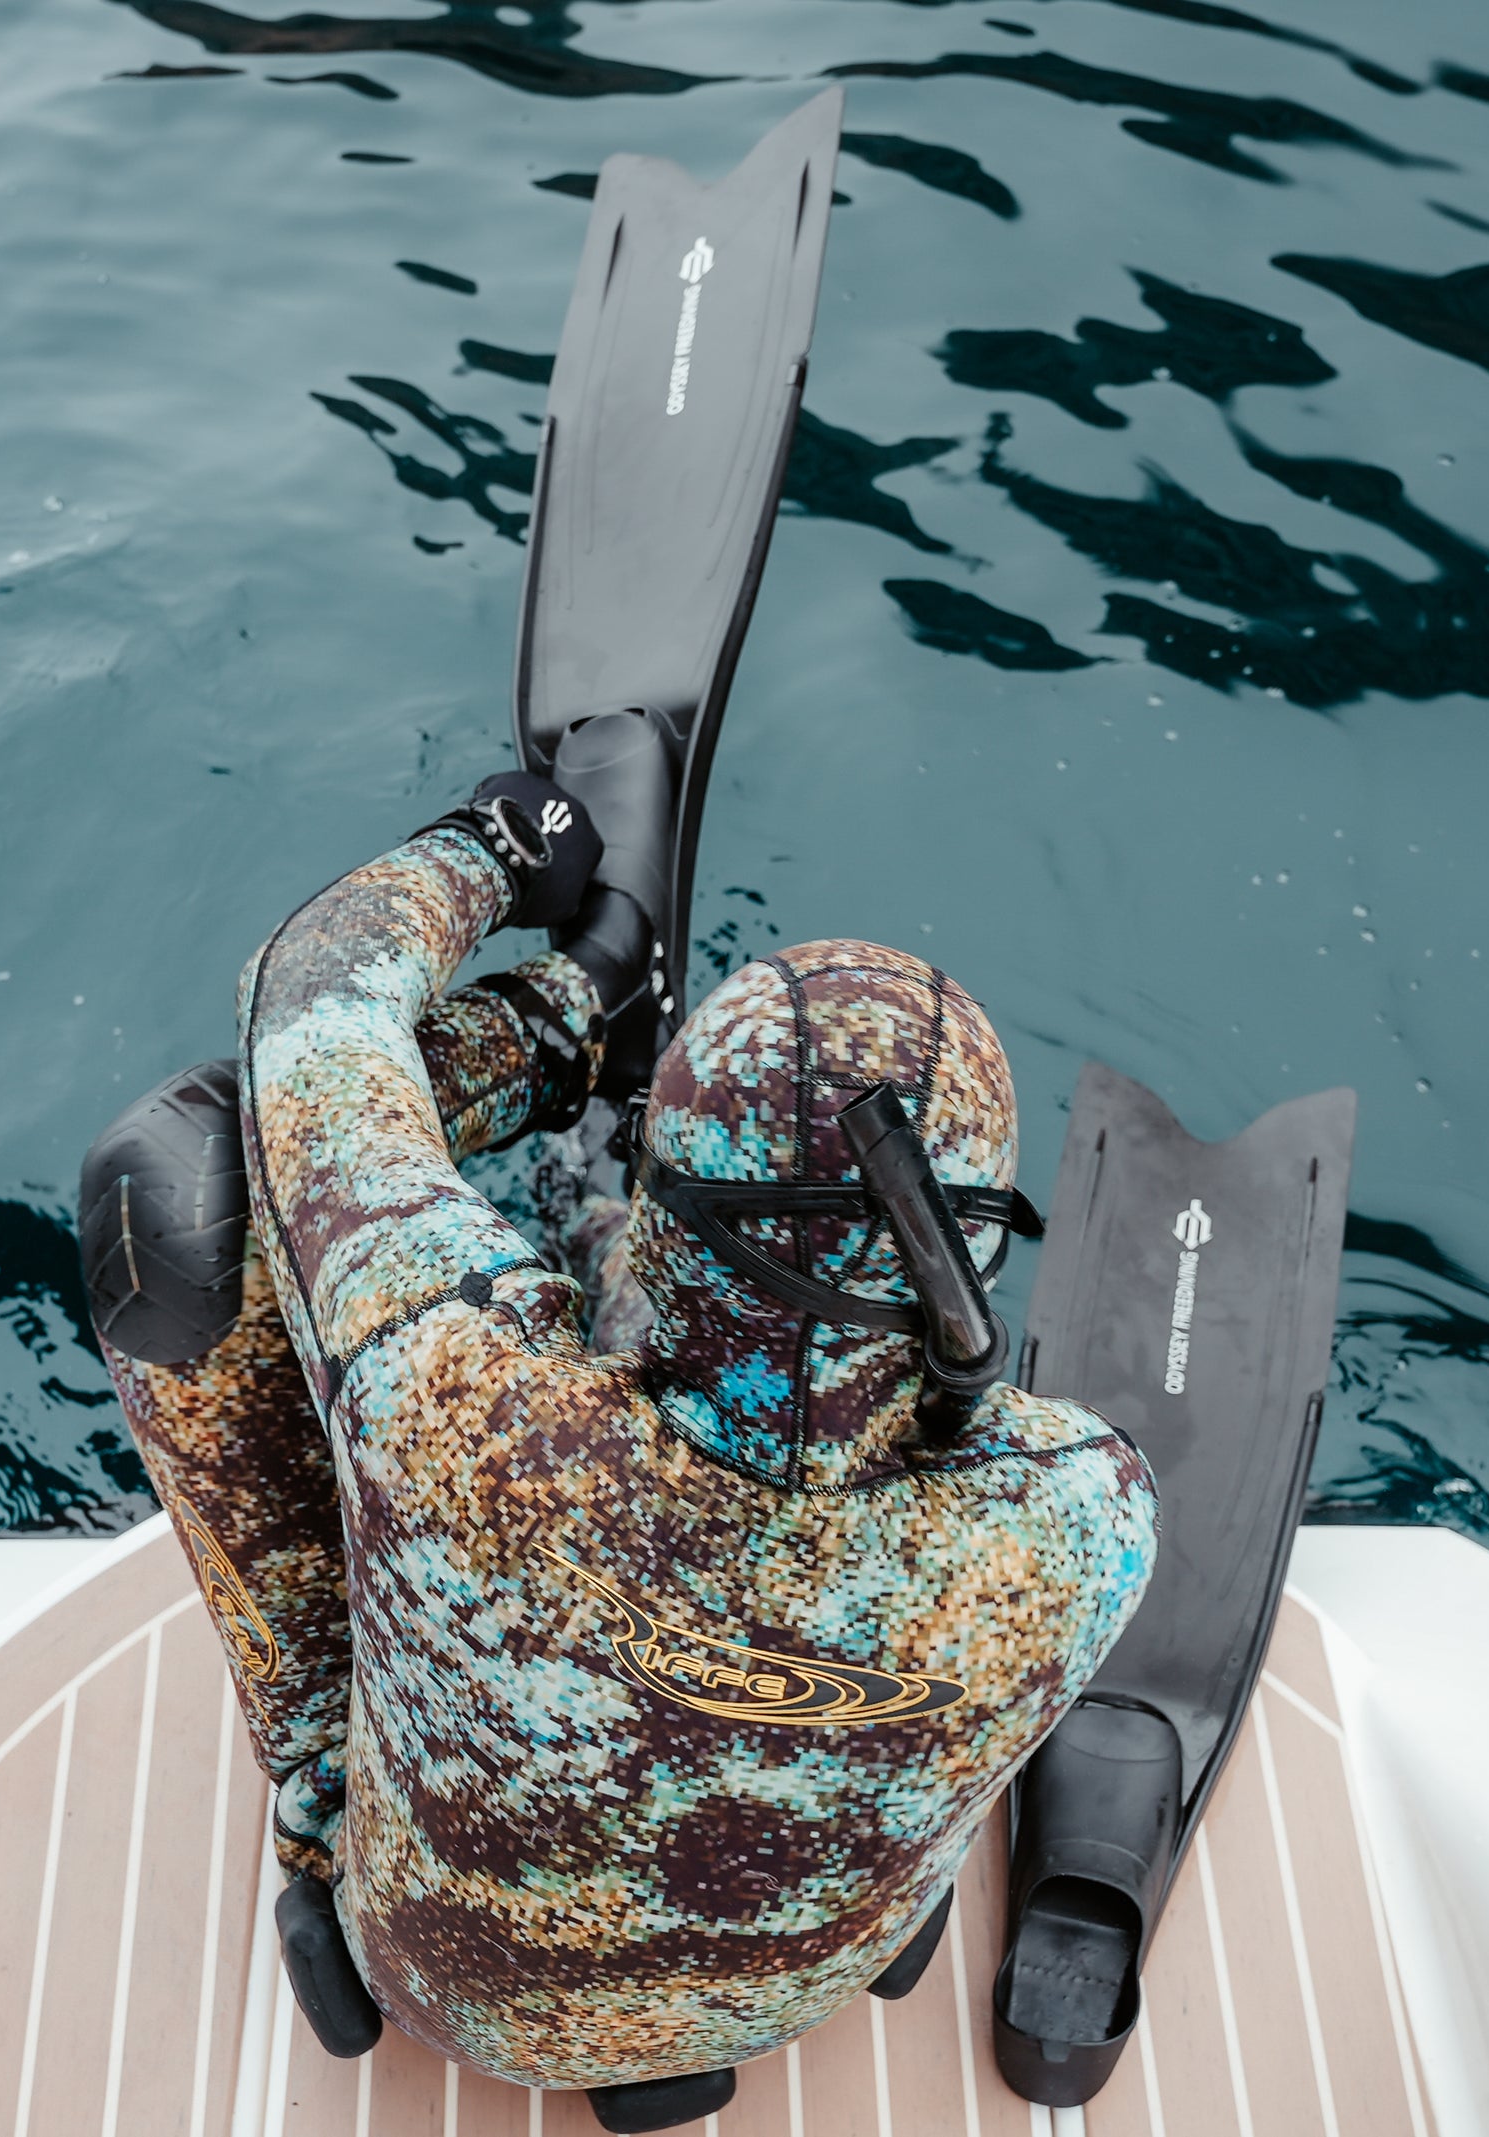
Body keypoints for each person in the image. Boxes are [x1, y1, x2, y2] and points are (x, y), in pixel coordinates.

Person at [81, 770, 1156, 2123]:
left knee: (177, 1175)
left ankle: (315, 1788)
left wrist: (519, 908)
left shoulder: (458, 1398)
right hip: (816, 1974)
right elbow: (818, 1398)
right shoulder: (1090, 1513)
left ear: (670, 1205)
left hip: (446, 1988)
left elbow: (309, 1005)